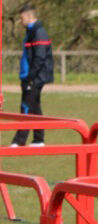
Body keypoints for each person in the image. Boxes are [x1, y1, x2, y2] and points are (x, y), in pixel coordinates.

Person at [11, 3, 54, 148]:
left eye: (21, 18)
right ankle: (38, 139)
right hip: (28, 76)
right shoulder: (30, 32)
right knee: (35, 108)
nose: (20, 21)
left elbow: (39, 57)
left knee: (26, 107)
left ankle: (19, 140)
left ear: (29, 16)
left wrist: (31, 77)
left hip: (34, 78)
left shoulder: (38, 32)